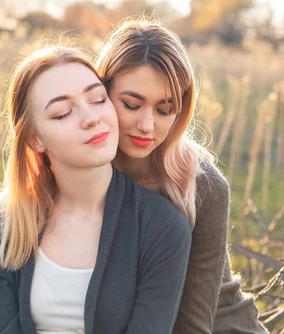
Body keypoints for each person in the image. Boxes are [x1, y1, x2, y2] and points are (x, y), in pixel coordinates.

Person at [0, 45, 192, 334]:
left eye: (98, 99)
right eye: (63, 113)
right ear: (35, 139)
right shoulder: (6, 223)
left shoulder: (162, 227)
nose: (91, 117)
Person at [95, 18, 268, 334]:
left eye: (164, 110)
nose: (148, 125)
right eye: (132, 104)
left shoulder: (203, 186)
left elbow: (195, 324)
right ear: (101, 94)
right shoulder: (81, 167)